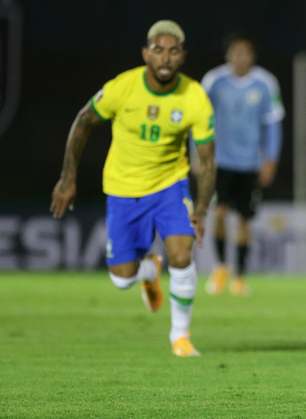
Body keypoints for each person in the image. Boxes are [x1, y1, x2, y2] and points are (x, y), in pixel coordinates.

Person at [50, 20, 216, 356]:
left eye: (173, 51)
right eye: (158, 51)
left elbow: (208, 162)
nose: (165, 58)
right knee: (121, 278)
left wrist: (200, 210)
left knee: (183, 255)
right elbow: (83, 122)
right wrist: (68, 177)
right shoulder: (122, 88)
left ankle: (180, 336)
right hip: (123, 190)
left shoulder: (195, 97)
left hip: (171, 186)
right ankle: (149, 269)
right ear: (145, 54)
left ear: (182, 56)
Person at [202, 33, 284, 296]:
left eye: (245, 52)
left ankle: (239, 275)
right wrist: (199, 156)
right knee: (219, 213)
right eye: (236, 52)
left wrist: (270, 160)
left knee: (245, 221)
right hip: (220, 162)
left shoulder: (266, 83)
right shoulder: (214, 82)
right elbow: (199, 120)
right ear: (228, 56)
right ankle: (220, 268)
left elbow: (273, 126)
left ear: (253, 56)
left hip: (251, 163)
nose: (241, 57)